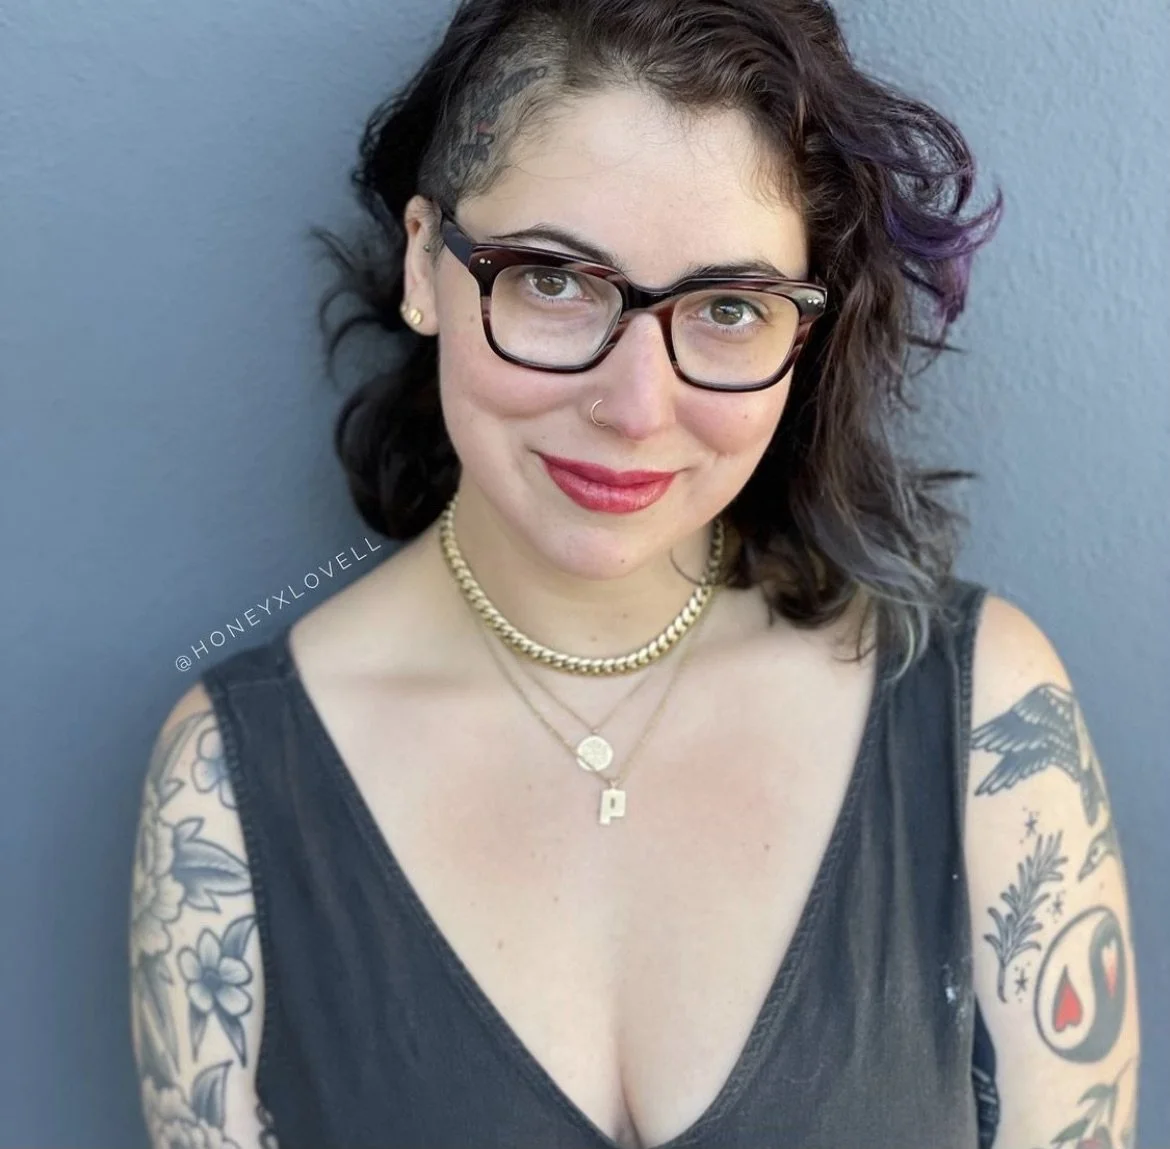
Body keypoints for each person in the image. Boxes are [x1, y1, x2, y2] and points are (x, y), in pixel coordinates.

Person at [129, 0, 1141, 1145]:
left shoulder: (989, 724)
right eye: (554, 281)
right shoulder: (226, 786)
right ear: (426, 264)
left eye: (727, 308)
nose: (635, 406)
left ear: (797, 336)